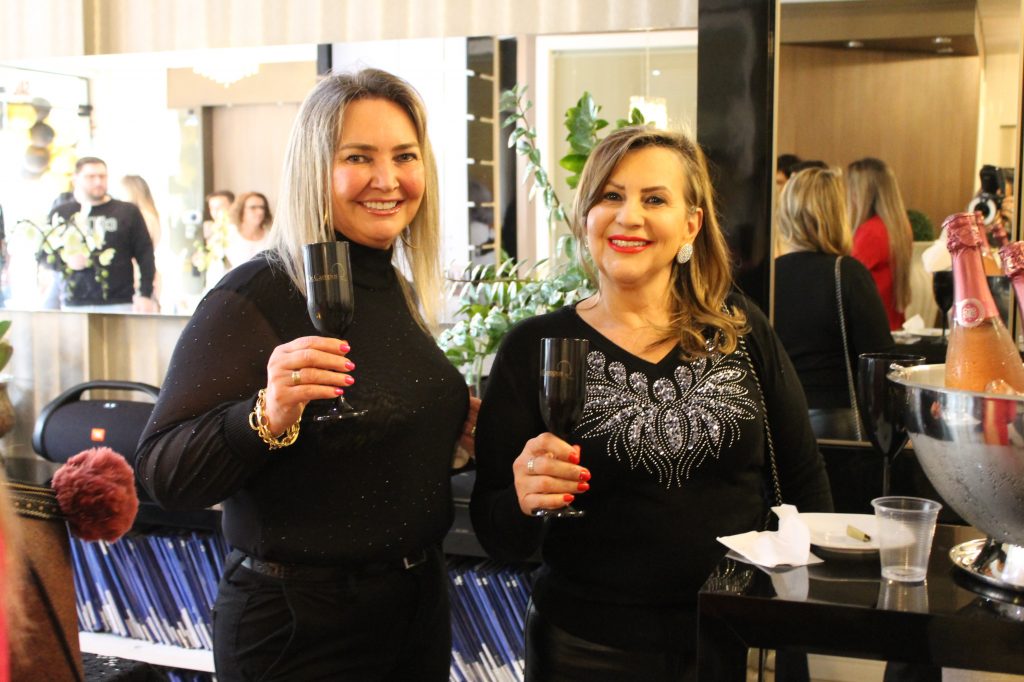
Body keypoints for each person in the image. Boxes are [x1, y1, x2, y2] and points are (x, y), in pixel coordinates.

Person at [135, 68, 478, 681]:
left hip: (414, 608)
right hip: (298, 628)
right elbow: (163, 474)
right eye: (358, 157)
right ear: (314, 170)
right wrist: (265, 415)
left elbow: (356, 444)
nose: (387, 179)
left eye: (404, 156)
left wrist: (450, 436)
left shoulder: (396, 287)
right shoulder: (257, 292)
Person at [470, 126, 832, 681]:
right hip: (586, 652)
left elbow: (804, 479)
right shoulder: (532, 348)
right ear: (586, 216)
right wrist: (524, 501)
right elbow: (496, 529)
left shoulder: (739, 331)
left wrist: (804, 616)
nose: (629, 216)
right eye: (610, 196)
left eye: (655, 199)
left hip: (738, 641)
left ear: (692, 224)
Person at [774, 167, 894, 439]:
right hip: (835, 419)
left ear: (787, 213)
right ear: (837, 214)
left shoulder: (767, 276)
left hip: (778, 419)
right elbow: (880, 357)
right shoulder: (848, 272)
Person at [47, 157, 158, 312]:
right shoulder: (61, 213)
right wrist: (66, 261)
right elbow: (44, 255)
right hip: (75, 301)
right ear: (76, 179)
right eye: (91, 177)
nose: (98, 182)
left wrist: (145, 293)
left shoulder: (127, 212)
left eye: (102, 176)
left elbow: (145, 254)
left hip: (119, 301)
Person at [846, 157, 913, 330]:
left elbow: (845, 283)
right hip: (891, 325)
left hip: (869, 328)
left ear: (861, 194)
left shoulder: (870, 232)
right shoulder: (896, 228)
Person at [224, 191, 272, 268]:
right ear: (241, 210)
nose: (260, 212)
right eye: (253, 207)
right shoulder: (228, 233)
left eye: (262, 207)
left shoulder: (271, 235)